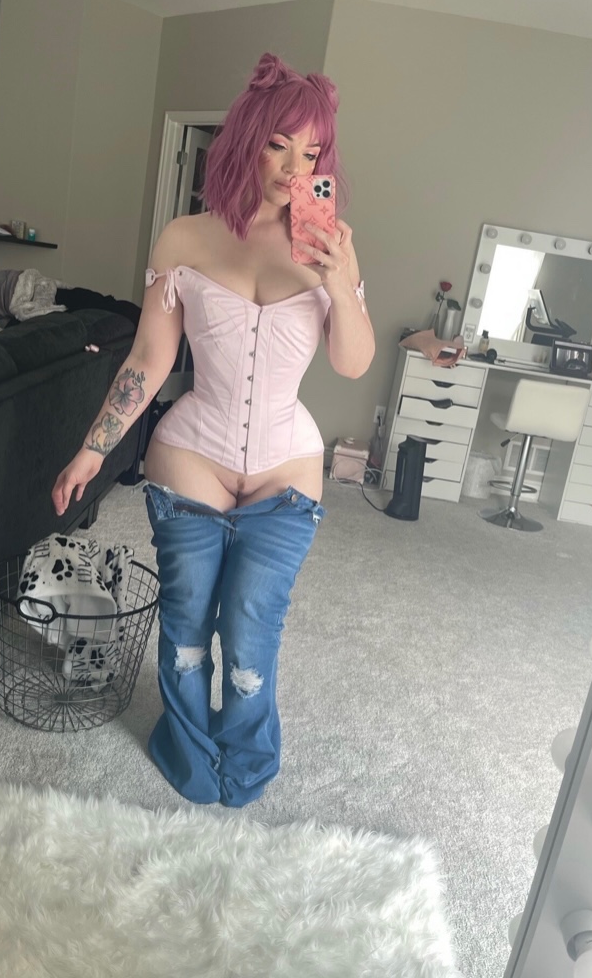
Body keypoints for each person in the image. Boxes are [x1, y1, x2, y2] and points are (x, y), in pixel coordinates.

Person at [52, 53, 375, 807]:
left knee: (252, 627)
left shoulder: (331, 244)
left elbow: (352, 362)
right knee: (188, 621)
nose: (293, 167)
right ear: (245, 141)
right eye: (278, 145)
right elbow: (149, 360)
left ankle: (247, 759)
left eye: (312, 153)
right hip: (191, 453)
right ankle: (189, 752)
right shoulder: (184, 238)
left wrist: (339, 280)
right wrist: (92, 451)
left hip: (286, 465)